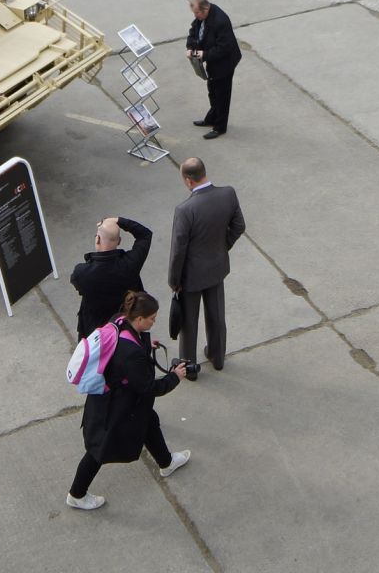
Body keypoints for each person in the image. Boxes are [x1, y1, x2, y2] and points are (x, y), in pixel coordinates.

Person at [64, 289, 191, 511]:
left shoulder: (119, 320)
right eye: (151, 319)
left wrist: (145, 346)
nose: (153, 322)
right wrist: (175, 376)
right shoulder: (131, 355)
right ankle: (76, 494)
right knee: (98, 451)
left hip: (117, 402)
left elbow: (124, 350)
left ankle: (166, 462)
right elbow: (149, 387)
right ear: (139, 318)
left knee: (149, 422)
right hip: (116, 409)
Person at [169, 157, 245, 377]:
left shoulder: (185, 210)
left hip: (191, 277)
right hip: (216, 268)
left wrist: (174, 281)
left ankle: (189, 368)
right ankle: (217, 356)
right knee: (216, 315)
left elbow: (178, 251)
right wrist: (222, 248)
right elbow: (239, 225)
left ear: (188, 180)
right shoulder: (228, 193)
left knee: (189, 324)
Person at [71, 216, 153, 339]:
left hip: (95, 334)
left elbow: (78, 286)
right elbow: (145, 234)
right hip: (125, 330)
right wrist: (118, 220)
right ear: (119, 241)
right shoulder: (130, 264)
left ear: (97, 239)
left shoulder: (81, 273)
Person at [186, 0, 240, 139]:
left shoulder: (220, 21)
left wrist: (205, 54)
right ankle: (211, 118)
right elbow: (193, 32)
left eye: (197, 13)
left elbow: (224, 48)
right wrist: (190, 48)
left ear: (205, 9)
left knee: (222, 96)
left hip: (225, 63)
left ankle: (220, 127)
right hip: (212, 62)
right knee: (212, 91)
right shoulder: (202, 17)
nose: (195, 16)